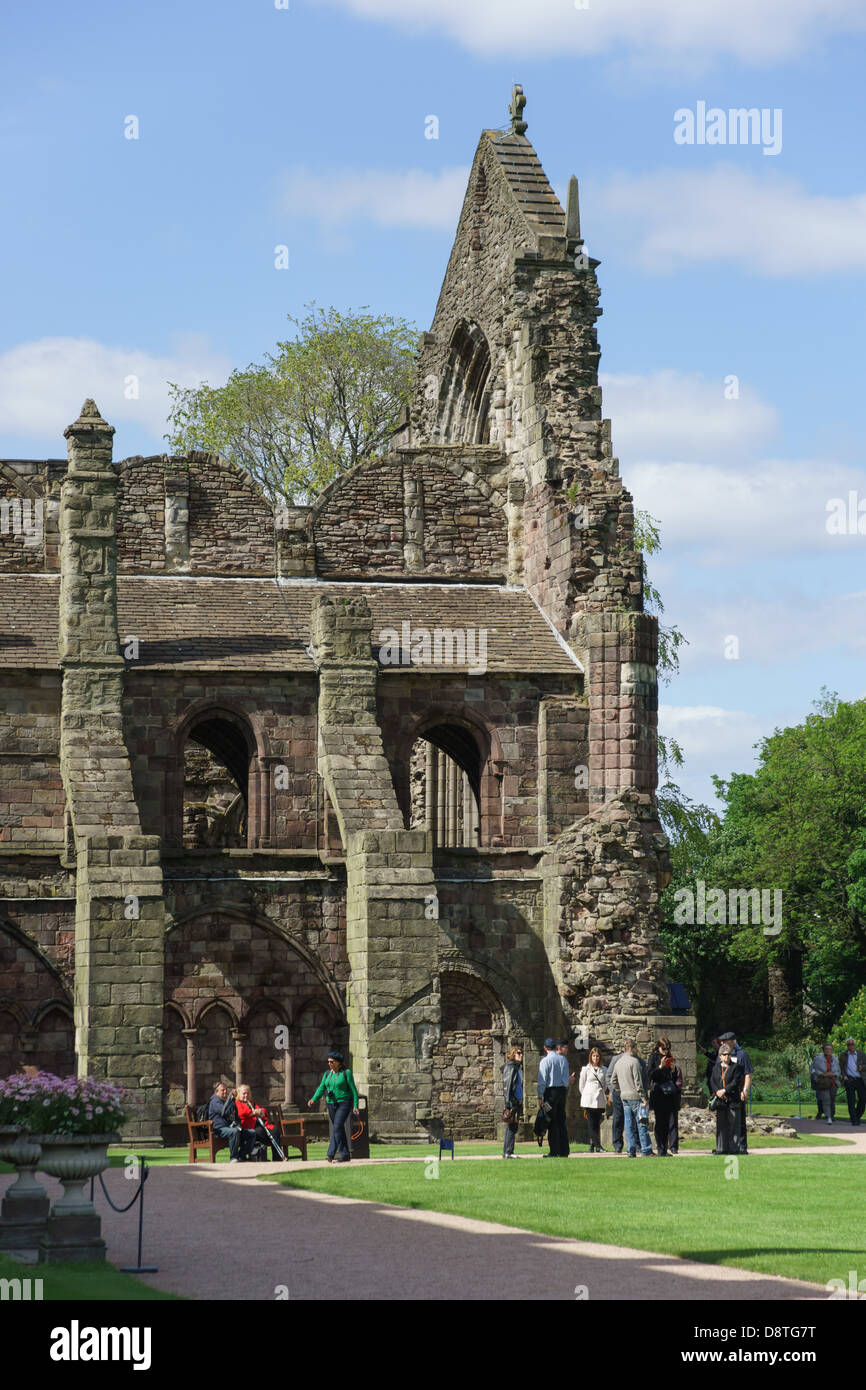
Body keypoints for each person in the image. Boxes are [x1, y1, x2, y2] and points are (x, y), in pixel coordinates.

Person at [307, 1050, 360, 1163]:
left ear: (338, 1063)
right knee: (339, 1129)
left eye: (332, 1061)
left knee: (336, 1127)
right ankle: (345, 1155)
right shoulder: (327, 1074)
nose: (329, 1063)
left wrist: (355, 1105)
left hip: (344, 1103)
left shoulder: (346, 1073)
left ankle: (331, 1153)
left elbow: (353, 1090)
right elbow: (321, 1088)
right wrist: (313, 1099)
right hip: (331, 1104)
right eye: (328, 1061)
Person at [610, 1040, 653, 1157]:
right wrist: (644, 1098)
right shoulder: (635, 1062)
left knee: (628, 1124)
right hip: (636, 1096)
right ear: (632, 1048)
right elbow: (638, 1083)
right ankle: (646, 1149)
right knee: (642, 1123)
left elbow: (613, 1080)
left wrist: (621, 1089)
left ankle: (631, 1150)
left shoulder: (618, 1062)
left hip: (624, 1096)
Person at [648, 1035, 683, 1154]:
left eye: (667, 1049)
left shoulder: (669, 1057)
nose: (666, 1051)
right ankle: (660, 1148)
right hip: (658, 1093)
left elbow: (672, 1078)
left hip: (668, 1094)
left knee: (667, 1122)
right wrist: (660, 1067)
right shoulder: (653, 1057)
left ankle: (665, 1147)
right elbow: (650, 1075)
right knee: (659, 1122)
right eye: (663, 1049)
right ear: (658, 1047)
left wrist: (672, 1070)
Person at [537, 1037, 571, 1157]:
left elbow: (542, 1081)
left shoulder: (545, 1061)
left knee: (550, 1120)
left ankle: (554, 1150)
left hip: (549, 1093)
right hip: (561, 1092)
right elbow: (566, 1081)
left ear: (545, 1048)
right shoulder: (563, 1060)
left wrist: (540, 1097)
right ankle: (564, 1150)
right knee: (561, 1120)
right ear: (555, 1047)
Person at [719, 1032, 753, 1153]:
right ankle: (726, 1146)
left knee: (740, 1121)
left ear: (732, 1041)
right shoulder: (723, 1054)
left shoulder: (742, 1054)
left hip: (738, 1092)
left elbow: (748, 1074)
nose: (722, 1043)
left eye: (725, 1041)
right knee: (725, 1121)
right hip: (725, 1093)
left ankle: (742, 1146)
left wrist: (745, 1090)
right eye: (721, 1042)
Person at [710, 1043, 744, 1155]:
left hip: (732, 1100)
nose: (726, 1057)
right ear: (720, 1056)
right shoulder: (716, 1067)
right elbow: (712, 1081)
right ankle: (721, 1149)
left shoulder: (736, 1067)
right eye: (724, 1055)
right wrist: (718, 1092)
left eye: (728, 1054)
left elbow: (735, 1082)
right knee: (721, 1126)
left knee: (734, 1126)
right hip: (720, 1100)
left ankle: (734, 1149)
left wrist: (725, 1090)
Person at [236, 1083, 276, 1159]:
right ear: (239, 1094)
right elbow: (241, 1113)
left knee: (274, 1131)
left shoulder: (251, 1103)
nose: (246, 1095)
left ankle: (277, 1158)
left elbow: (261, 1110)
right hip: (248, 1127)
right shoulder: (237, 1103)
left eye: (247, 1093)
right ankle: (261, 1156)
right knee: (260, 1132)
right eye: (244, 1093)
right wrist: (253, 1113)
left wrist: (261, 1111)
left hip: (259, 1125)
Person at [578, 1047, 608, 1152]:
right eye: (594, 1056)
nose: (595, 1058)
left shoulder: (604, 1069)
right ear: (591, 1057)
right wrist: (586, 1094)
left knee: (596, 1123)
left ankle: (592, 1144)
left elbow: (604, 1085)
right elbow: (581, 1085)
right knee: (591, 1123)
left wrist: (599, 1092)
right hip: (589, 1099)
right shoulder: (586, 1069)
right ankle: (598, 1146)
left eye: (597, 1056)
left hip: (599, 1098)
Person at [206, 1081, 242, 1162]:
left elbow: (232, 1111)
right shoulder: (215, 1101)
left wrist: (232, 1100)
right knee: (234, 1132)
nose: (225, 1092)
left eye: (226, 1090)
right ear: (216, 1092)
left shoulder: (223, 1101)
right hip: (218, 1130)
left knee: (251, 1133)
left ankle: (242, 1156)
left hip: (226, 1128)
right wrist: (231, 1099)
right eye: (222, 1090)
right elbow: (225, 1111)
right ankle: (233, 1158)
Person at [502, 1045, 524, 1157]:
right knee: (511, 1126)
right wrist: (510, 1102)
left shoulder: (518, 1067)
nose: (521, 1055)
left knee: (512, 1127)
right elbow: (508, 1086)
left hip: (517, 1101)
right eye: (518, 1053)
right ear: (513, 1055)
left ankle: (508, 1151)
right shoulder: (511, 1067)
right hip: (513, 1102)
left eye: (521, 1053)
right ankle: (508, 1152)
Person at [810, 1042, 841, 1123]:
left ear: (832, 1050)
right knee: (826, 1099)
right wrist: (822, 1074)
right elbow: (813, 1069)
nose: (828, 1050)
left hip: (833, 1082)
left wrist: (833, 1074)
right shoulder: (818, 1058)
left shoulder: (835, 1059)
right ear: (823, 1050)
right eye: (826, 1049)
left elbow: (838, 1071)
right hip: (822, 1082)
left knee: (832, 1099)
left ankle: (832, 1115)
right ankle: (828, 1117)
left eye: (830, 1049)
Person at [840, 1037, 866, 1126]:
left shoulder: (861, 1054)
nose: (851, 1046)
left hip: (860, 1079)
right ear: (847, 1046)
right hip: (849, 1080)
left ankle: (857, 1116)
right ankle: (854, 1120)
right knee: (851, 1101)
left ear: (855, 1045)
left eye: (852, 1044)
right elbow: (841, 1068)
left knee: (863, 1099)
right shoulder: (843, 1055)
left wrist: (862, 1067)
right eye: (849, 1044)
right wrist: (844, 1076)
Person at [605, 1048, 625, 1153]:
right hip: (618, 1093)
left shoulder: (636, 1058)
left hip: (631, 1093)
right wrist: (614, 1089)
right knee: (618, 1118)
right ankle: (617, 1144)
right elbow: (608, 1076)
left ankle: (636, 1144)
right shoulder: (616, 1059)